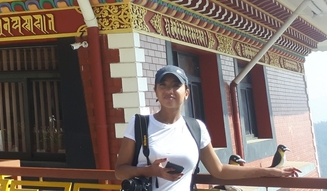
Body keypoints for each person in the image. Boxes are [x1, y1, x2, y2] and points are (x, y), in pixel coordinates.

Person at [114, 65, 299, 191]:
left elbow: (218, 170)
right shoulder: (139, 124)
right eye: (163, 85)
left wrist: (269, 171)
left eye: (176, 85)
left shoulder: (196, 128)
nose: (169, 90)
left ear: (186, 92)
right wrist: (150, 171)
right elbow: (120, 171)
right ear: (156, 91)